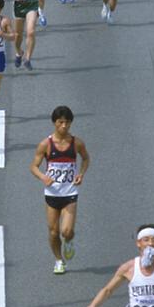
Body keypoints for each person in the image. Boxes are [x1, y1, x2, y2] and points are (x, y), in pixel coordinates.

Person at [30, 106, 89, 274]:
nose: (64, 126)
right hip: (52, 194)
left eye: (67, 122)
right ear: (54, 123)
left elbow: (86, 158)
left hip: (70, 193)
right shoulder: (46, 144)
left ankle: (69, 241)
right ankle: (58, 260)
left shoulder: (76, 143)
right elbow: (33, 166)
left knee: (66, 231)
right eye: (60, 122)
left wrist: (81, 174)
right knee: (54, 232)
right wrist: (43, 177)